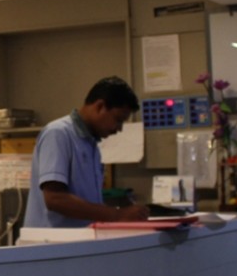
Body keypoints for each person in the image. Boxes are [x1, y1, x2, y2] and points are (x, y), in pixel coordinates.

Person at [23, 76, 149, 228]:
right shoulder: (58, 134)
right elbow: (55, 199)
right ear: (100, 106)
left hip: (78, 238)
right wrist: (117, 215)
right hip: (51, 240)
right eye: (118, 120)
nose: (119, 129)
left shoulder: (91, 144)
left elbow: (88, 202)